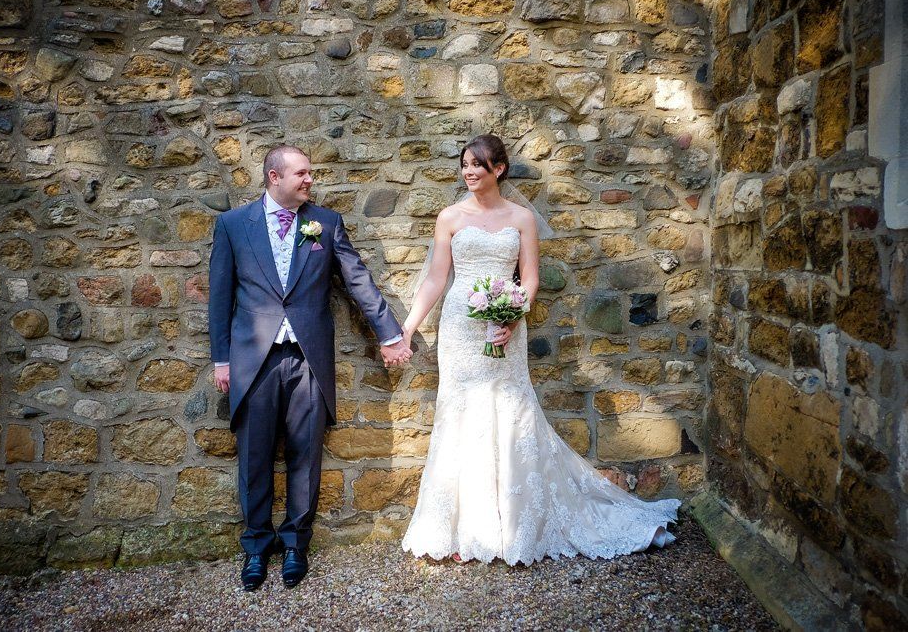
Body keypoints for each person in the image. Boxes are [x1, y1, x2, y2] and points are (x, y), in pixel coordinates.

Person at [400, 134, 680, 565]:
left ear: (500, 170)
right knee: (460, 412)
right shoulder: (450, 217)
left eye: (478, 165)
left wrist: (512, 317)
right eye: (464, 165)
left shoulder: (521, 218)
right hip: (461, 328)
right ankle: (466, 528)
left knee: (512, 412)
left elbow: (529, 278)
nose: (469, 172)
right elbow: (437, 278)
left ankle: (512, 523)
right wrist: (407, 327)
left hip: (506, 323)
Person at [209, 145, 412, 590]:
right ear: (273, 177)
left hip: (308, 359)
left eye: (311, 174)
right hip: (253, 360)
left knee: (306, 454)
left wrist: (390, 334)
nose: (309, 180)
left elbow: (358, 279)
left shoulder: (326, 223)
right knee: (255, 456)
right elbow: (220, 296)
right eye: (301, 174)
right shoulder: (232, 226)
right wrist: (221, 359)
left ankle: (297, 544)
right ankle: (257, 549)